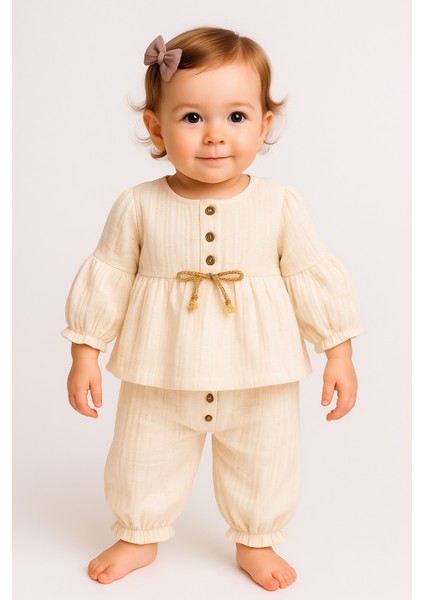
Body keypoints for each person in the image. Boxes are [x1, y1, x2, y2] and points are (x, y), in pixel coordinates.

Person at [62, 26, 363, 592]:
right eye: (192, 117)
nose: (215, 135)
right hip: (160, 367)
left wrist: (338, 353)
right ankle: (139, 532)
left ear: (264, 126)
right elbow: (108, 278)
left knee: (265, 456)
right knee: (142, 452)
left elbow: (311, 277)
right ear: (157, 127)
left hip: (260, 370)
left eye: (237, 117)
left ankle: (257, 538)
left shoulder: (279, 203)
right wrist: (85, 353)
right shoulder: (138, 205)